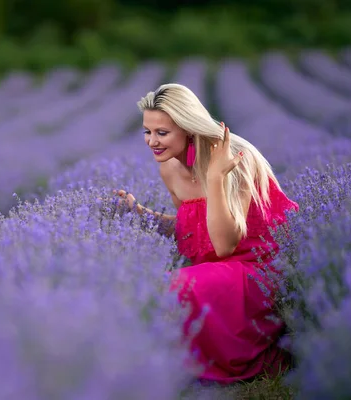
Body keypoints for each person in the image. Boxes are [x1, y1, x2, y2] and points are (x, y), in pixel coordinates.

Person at [114, 83, 299, 384]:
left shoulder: (238, 159)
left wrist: (215, 177)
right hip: (214, 270)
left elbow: (225, 245)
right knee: (141, 287)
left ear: (188, 128)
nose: (151, 141)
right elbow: (191, 227)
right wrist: (139, 213)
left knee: (175, 287)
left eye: (162, 133)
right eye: (147, 132)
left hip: (258, 271)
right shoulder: (170, 168)